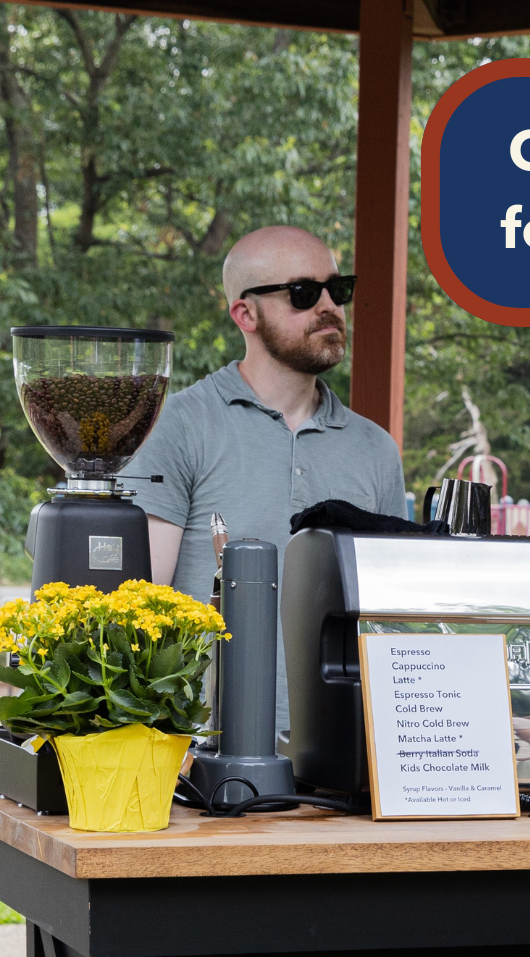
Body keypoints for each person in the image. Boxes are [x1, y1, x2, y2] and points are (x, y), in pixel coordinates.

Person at [131, 225, 407, 735]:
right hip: (204, 755)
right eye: (304, 293)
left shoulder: (375, 449)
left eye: (337, 290)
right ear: (245, 313)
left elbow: (395, 618)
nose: (328, 306)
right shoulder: (178, 425)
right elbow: (138, 600)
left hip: (346, 752)